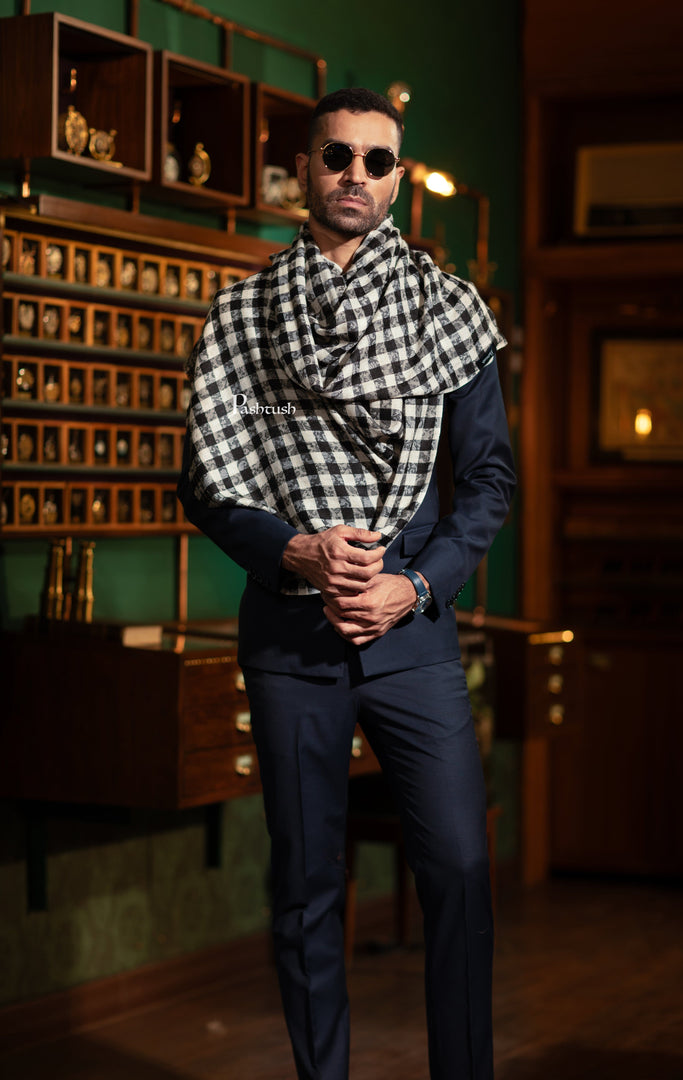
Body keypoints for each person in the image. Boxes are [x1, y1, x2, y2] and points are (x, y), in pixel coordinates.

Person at [178, 87, 516, 1080]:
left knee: (460, 866)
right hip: (291, 637)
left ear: (398, 179)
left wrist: (416, 586)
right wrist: (297, 551)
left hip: (413, 627)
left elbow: (488, 481)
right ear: (304, 170)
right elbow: (206, 481)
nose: (354, 175)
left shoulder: (450, 311)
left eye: (376, 161)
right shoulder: (241, 315)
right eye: (336, 156)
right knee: (305, 886)